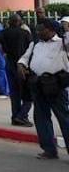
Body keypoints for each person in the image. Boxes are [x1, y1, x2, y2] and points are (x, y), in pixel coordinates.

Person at [17, 20, 69, 160]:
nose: (39, 32)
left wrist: (66, 29)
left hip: (56, 85)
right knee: (41, 118)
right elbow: (25, 57)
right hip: (38, 84)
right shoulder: (36, 44)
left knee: (65, 118)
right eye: (38, 29)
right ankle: (49, 150)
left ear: (52, 30)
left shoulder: (62, 43)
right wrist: (21, 65)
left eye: (42, 29)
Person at [0, 13, 33, 126]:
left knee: (14, 92)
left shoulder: (4, 32)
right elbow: (31, 47)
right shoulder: (25, 33)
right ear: (19, 22)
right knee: (27, 93)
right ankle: (22, 116)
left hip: (9, 62)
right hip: (22, 64)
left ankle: (15, 117)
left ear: (9, 22)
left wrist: (3, 52)